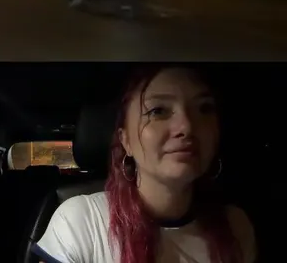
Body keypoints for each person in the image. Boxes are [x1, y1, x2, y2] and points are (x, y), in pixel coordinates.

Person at [33, 66, 256, 263]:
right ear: (126, 140)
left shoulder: (235, 227)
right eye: (158, 111)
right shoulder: (81, 222)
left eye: (204, 108)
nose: (187, 127)